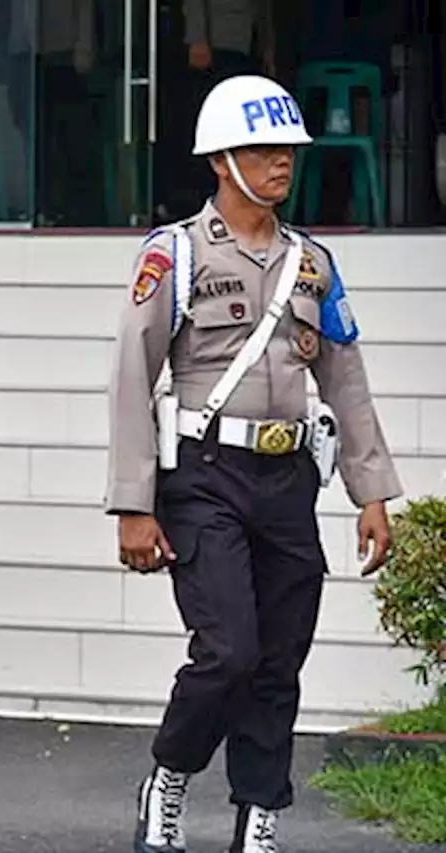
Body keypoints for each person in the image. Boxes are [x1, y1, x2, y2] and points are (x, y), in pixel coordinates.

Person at [105, 75, 400, 853]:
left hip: (288, 478)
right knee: (228, 648)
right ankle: (170, 775)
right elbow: (133, 375)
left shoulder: (313, 263)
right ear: (221, 160)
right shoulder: (173, 254)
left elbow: (345, 376)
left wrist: (371, 492)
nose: (281, 164)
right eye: (263, 149)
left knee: (277, 659)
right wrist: (134, 504)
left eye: (287, 151)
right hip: (203, 475)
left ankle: (258, 813)